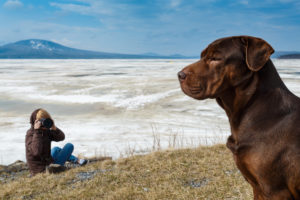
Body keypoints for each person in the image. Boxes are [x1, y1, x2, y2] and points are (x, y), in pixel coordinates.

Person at [25, 108, 87, 176]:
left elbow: (61, 137)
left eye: (46, 120)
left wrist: (54, 127)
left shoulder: (45, 131)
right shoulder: (31, 134)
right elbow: (36, 152)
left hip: (47, 162)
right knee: (69, 146)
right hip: (43, 170)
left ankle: (76, 160)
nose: (44, 123)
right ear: (35, 121)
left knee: (56, 149)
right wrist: (37, 132)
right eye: (41, 121)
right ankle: (77, 161)